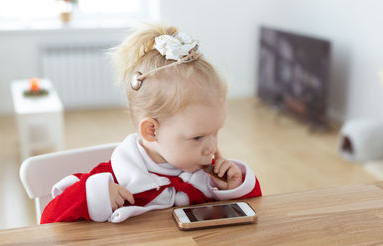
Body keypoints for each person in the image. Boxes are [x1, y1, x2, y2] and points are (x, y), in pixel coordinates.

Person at [40, 24, 262, 224]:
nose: (212, 147)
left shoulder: (209, 179)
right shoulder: (114, 179)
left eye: (215, 133)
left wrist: (235, 188)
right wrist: (94, 196)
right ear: (151, 130)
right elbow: (48, 221)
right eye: (198, 137)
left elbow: (256, 216)